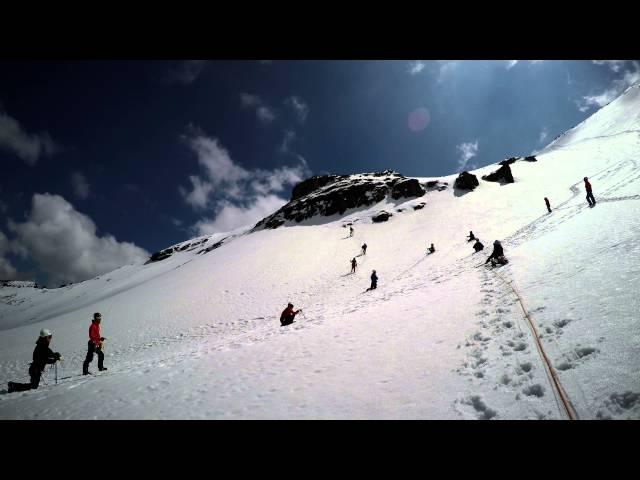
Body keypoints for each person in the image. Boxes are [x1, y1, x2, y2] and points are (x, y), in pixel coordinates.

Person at [8, 329, 62, 393]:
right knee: (33, 386)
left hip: (35, 369)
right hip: (35, 370)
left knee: (34, 385)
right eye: (49, 337)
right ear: (45, 338)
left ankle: (13, 386)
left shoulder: (41, 346)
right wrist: (56, 358)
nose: (50, 339)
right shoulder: (43, 347)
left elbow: (47, 357)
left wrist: (54, 357)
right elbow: (48, 357)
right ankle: (13, 386)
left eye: (51, 336)